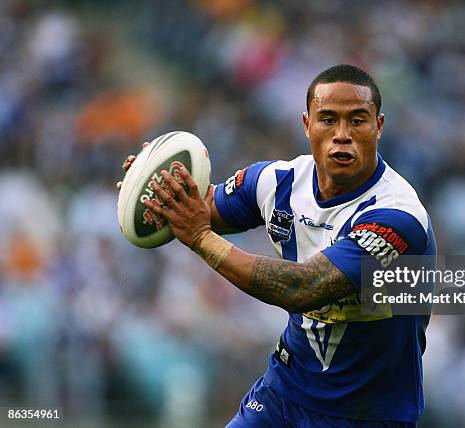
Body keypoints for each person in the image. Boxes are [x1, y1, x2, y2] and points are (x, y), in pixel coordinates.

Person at [119, 64, 436, 427]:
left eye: (358, 121)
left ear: (378, 127)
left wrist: (201, 239)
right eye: (328, 120)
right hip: (283, 395)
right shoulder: (276, 181)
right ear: (306, 124)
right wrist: (161, 192)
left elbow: (304, 287)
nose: (342, 135)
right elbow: (198, 211)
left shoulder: (397, 215)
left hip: (366, 414)